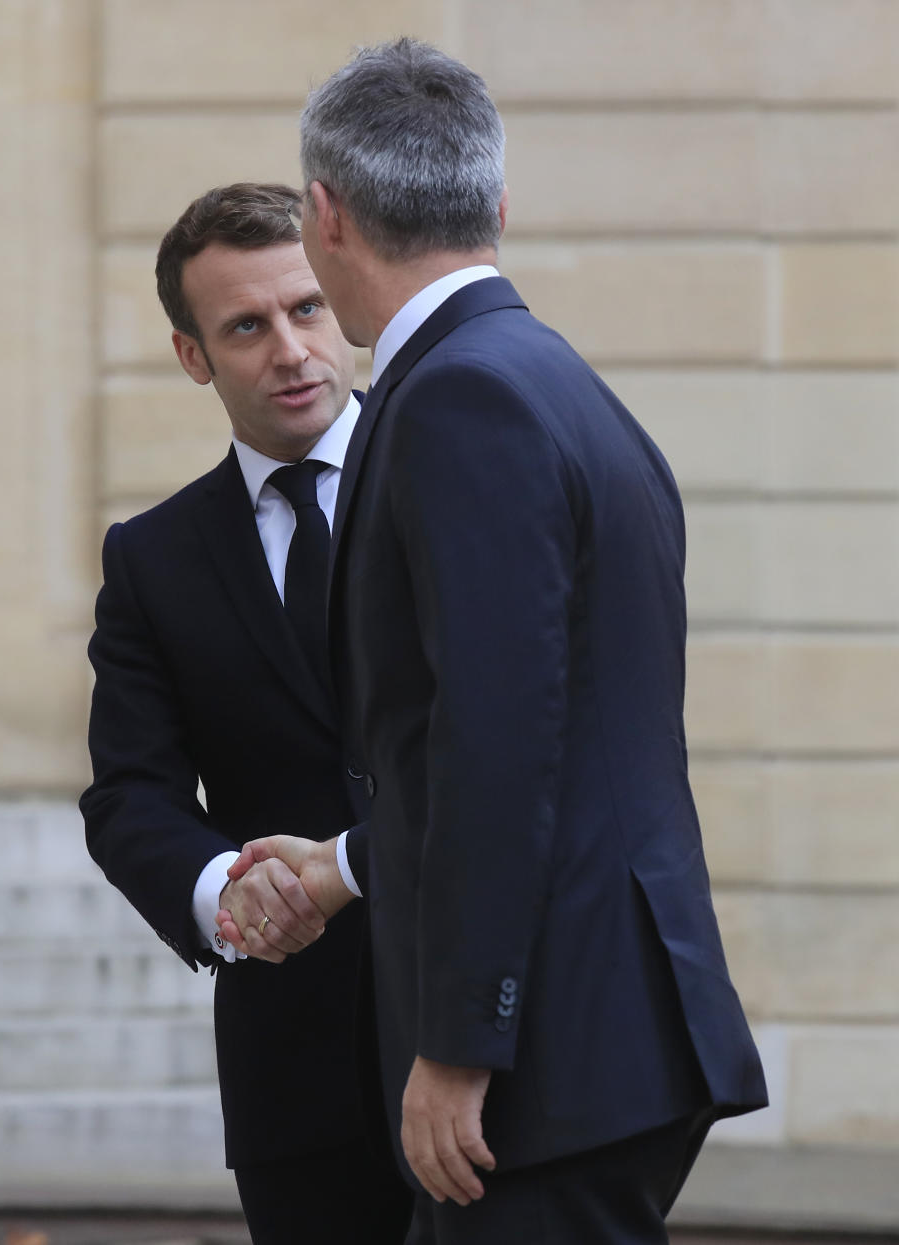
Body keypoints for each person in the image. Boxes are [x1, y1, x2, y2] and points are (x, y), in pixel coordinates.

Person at [221, 42, 768, 1244]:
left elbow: (500, 744)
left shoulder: (460, 397)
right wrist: (349, 864)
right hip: (598, 1034)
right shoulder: (549, 377)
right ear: (497, 204)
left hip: (546, 1065)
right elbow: (522, 731)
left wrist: (465, 1041)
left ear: (325, 215)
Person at [79, 182, 412, 1245]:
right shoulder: (152, 559)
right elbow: (130, 792)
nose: (291, 349)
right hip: (294, 1067)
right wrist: (231, 888)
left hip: (489, 1033)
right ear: (194, 356)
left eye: (307, 309)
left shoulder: (453, 486)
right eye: (246, 326)